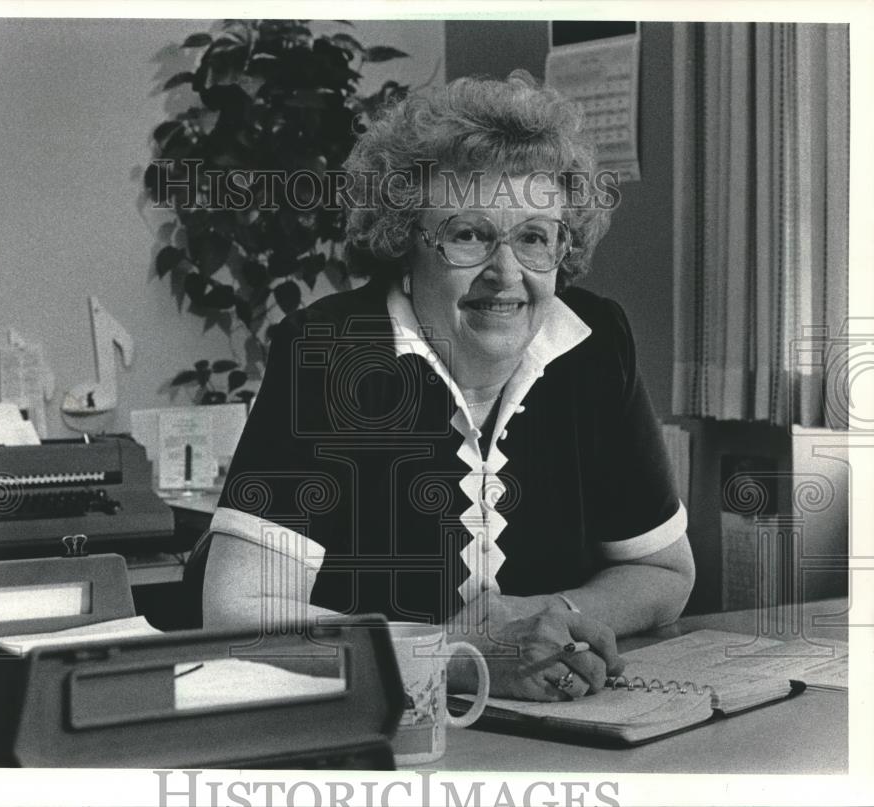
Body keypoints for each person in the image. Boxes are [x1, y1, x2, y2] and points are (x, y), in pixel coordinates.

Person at [199, 70, 695, 702]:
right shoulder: (329, 351)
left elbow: (664, 568)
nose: (507, 273)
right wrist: (458, 655)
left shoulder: (595, 344)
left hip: (554, 720)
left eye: (535, 237)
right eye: (469, 235)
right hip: (376, 731)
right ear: (406, 241)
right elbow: (237, 614)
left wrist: (546, 616)